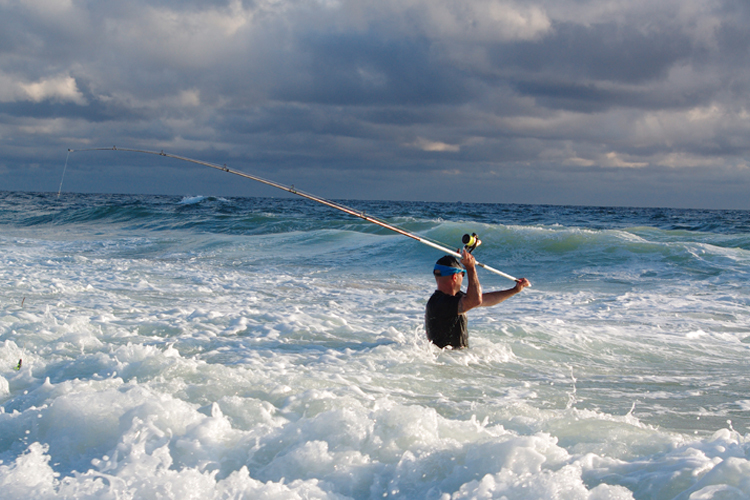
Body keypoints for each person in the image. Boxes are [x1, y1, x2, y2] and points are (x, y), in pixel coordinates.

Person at [425, 248, 530, 349]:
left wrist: (514, 290)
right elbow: (476, 300)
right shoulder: (442, 303)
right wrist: (471, 268)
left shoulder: (450, 298)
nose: (463, 278)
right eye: (463, 274)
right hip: (449, 361)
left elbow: (486, 299)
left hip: (454, 359)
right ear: (454, 277)